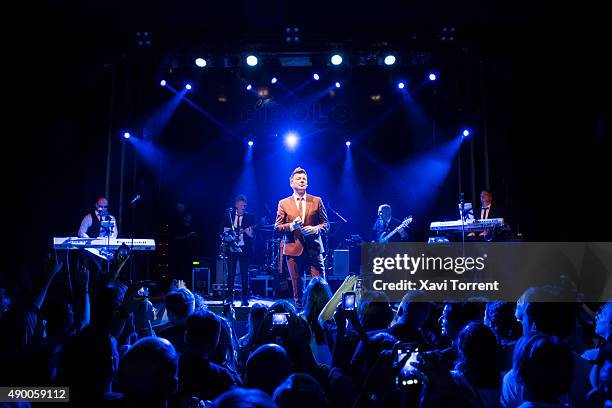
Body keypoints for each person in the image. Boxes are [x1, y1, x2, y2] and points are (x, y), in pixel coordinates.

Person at [275, 167, 328, 308]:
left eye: (304, 179)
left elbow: (326, 224)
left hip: (314, 248)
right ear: (291, 183)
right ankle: (300, 313)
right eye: (298, 179)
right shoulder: (284, 203)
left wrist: (315, 228)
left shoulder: (316, 200)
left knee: (320, 283)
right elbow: (277, 227)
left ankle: (322, 312)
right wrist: (291, 226)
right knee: (297, 285)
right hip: (293, 249)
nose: (302, 180)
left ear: (308, 183)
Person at [223, 195, 256, 306]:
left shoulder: (250, 217)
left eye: (244, 205)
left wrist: (248, 232)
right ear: (236, 205)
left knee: (244, 274)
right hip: (232, 248)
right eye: (241, 205)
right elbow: (224, 231)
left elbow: (252, 236)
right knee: (230, 274)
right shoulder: (229, 216)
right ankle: (229, 297)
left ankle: (245, 298)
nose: (243, 207)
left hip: (244, 249)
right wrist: (231, 234)